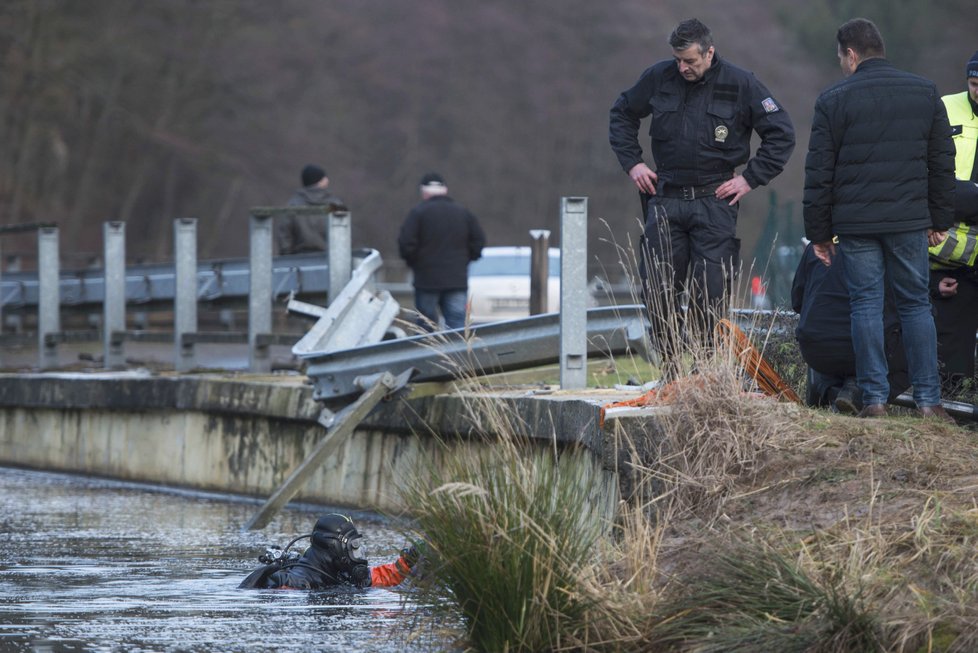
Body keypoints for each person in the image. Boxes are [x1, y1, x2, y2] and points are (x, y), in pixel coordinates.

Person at [609, 18, 794, 367]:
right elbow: (622, 114)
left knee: (710, 290)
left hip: (715, 201)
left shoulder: (741, 83)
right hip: (664, 197)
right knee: (658, 288)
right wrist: (633, 163)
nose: (683, 67)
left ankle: (705, 370)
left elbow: (781, 133)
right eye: (678, 60)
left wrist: (750, 179)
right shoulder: (659, 77)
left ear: (709, 52)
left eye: (690, 61)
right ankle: (672, 368)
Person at [803, 18, 956, 422]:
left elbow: (819, 173)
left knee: (866, 306)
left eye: (840, 57)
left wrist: (818, 233)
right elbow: (942, 164)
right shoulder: (924, 92)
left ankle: (873, 400)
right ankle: (929, 401)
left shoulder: (833, 99)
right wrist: (940, 217)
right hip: (909, 220)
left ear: (851, 54)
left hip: (856, 226)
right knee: (915, 306)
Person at [792, 241, 909, 413]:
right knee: (918, 348)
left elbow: (797, 301)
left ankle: (829, 388)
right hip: (860, 349)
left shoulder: (818, 246)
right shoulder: (890, 246)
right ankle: (859, 393)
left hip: (815, 348)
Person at [928, 52, 978, 394]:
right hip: (949, 235)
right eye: (975, 85)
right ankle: (950, 393)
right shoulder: (946, 107)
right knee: (951, 319)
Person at [239, 513, 421, 590]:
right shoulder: (292, 584)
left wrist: (409, 560)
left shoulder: (343, 574)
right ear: (336, 548)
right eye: (353, 547)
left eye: (357, 547)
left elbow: (382, 576)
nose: (357, 556)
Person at [397, 172, 486, 331]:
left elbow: (405, 244)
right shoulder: (463, 213)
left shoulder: (418, 213)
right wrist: (464, 260)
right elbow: (478, 241)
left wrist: (416, 263)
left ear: (424, 192)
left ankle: (428, 356)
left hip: (426, 280)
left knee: (425, 328)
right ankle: (457, 356)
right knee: (457, 327)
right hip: (456, 279)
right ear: (445, 190)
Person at [275, 164, 347, 255]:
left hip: (298, 261)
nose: (327, 180)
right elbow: (343, 233)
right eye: (324, 178)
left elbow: (284, 235)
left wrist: (287, 258)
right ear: (319, 181)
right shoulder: (335, 204)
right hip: (331, 258)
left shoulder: (292, 204)